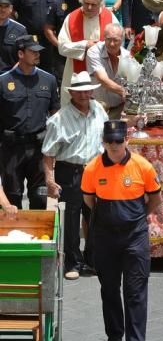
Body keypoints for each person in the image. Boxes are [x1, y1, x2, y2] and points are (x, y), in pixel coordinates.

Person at [81, 120, 162, 341]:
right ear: (103, 142)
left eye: (119, 141)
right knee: (109, 288)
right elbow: (89, 199)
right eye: (110, 142)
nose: (115, 146)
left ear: (127, 140)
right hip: (105, 237)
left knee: (136, 292)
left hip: (135, 237)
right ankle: (115, 335)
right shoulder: (93, 168)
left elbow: (155, 199)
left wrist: (134, 218)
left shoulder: (143, 166)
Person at [42, 71, 107, 280]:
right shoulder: (58, 119)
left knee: (96, 217)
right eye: (79, 91)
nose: (83, 95)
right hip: (70, 171)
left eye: (87, 90)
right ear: (70, 92)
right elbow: (48, 154)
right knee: (71, 220)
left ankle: (93, 260)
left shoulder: (99, 110)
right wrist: (50, 180)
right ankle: (73, 262)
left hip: (96, 170)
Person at [0, 35, 58, 210]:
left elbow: (55, 114)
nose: (37, 54)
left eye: (38, 51)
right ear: (20, 54)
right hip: (11, 149)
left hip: (38, 149)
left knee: (39, 199)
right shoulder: (3, 81)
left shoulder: (49, 80)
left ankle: (39, 237)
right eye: (32, 51)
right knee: (12, 200)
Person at [58, 0, 118, 104]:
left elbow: (118, 43)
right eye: (86, 3)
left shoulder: (109, 17)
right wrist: (85, 45)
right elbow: (62, 47)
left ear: (101, 4)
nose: (89, 7)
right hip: (76, 74)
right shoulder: (71, 18)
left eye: (94, 4)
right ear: (81, 1)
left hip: (102, 74)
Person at [13, 0, 62, 74]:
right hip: (28, 39)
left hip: (48, 40)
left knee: (49, 71)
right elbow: (12, 12)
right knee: (26, 70)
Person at [43, 0, 87, 88]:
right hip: (62, 55)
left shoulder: (90, 4)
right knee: (64, 85)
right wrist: (60, 46)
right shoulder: (58, 2)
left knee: (85, 85)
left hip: (85, 52)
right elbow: (48, 28)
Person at [86, 24, 130, 118]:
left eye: (116, 40)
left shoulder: (128, 56)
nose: (112, 44)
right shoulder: (94, 52)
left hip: (119, 108)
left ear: (122, 40)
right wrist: (123, 91)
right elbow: (102, 79)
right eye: (108, 39)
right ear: (104, 38)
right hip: (97, 107)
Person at [0, 0, 26, 74]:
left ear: (11, 8)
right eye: (0, 6)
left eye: (6, 6)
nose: (2, 9)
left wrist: (8, 76)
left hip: (11, 77)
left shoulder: (20, 30)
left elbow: (24, 57)